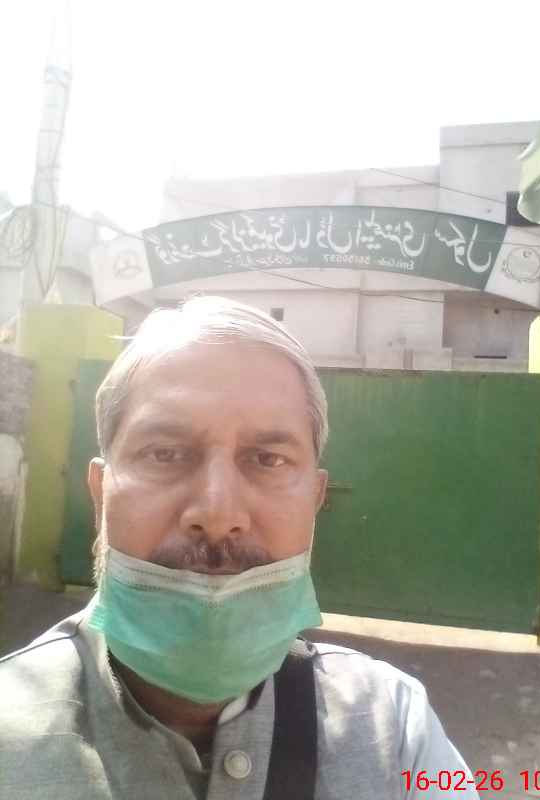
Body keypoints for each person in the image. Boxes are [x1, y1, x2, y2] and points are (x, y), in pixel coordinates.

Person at [0, 296, 478, 799]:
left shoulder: (396, 730)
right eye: (165, 453)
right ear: (101, 495)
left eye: (267, 459)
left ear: (314, 502)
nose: (217, 513)